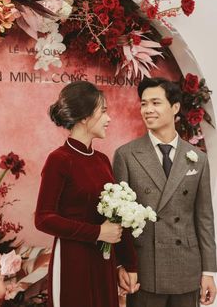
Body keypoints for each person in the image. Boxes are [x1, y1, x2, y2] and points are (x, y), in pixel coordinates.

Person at [113, 77, 217, 307]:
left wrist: (209, 271)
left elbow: (204, 218)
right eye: (143, 103)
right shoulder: (126, 155)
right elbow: (117, 219)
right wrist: (122, 265)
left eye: (156, 103)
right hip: (144, 270)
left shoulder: (198, 158)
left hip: (187, 270)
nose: (148, 110)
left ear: (175, 107)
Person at [35, 81, 138, 307]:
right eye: (103, 111)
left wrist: (124, 265)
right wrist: (97, 232)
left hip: (103, 262)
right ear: (83, 117)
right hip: (74, 262)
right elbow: (43, 218)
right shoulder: (59, 160)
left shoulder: (102, 160)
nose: (109, 118)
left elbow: (115, 216)